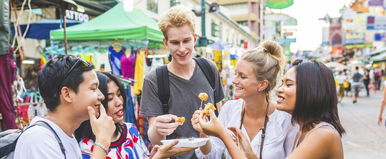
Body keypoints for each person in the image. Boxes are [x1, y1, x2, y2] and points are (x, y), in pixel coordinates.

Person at [198, 60, 346, 159]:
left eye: (288, 84)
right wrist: (250, 154)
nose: (280, 90)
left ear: (311, 90)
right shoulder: (303, 129)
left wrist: (222, 134)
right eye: (282, 83)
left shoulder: (323, 134)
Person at [140, 5, 224, 159]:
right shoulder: (154, 80)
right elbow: (154, 136)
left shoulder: (209, 69)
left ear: (195, 39)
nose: (182, 49)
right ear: (166, 43)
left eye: (186, 41)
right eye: (175, 42)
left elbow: (221, 116)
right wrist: (159, 128)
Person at [191, 41, 298, 159]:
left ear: (262, 85)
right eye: (236, 74)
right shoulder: (230, 109)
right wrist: (203, 133)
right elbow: (212, 155)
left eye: (242, 76)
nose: (234, 81)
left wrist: (222, 133)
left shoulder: (285, 119)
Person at [14, 55, 115, 159]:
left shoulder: (66, 136)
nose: (101, 96)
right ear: (67, 94)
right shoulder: (39, 139)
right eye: (93, 89)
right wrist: (102, 142)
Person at [75, 72, 195, 158]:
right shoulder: (88, 148)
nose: (119, 102)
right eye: (110, 98)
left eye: (119, 94)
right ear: (97, 103)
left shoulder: (130, 130)